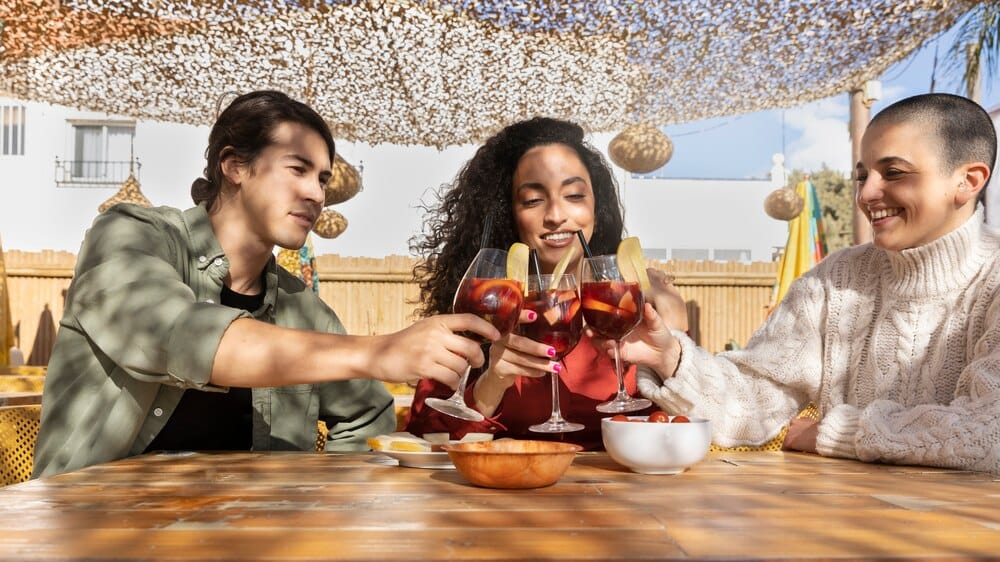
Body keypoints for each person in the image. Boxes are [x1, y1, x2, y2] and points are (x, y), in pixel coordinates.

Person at [33, 90, 498, 477]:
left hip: (245, 535)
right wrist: (380, 352)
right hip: (91, 527)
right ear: (234, 166)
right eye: (297, 169)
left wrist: (322, 499)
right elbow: (181, 336)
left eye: (321, 178)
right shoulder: (130, 235)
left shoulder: (303, 308)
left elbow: (367, 415)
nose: (316, 193)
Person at [614, 93, 999, 473]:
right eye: (861, 176)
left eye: (894, 172)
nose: (865, 194)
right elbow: (754, 401)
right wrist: (668, 357)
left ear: (968, 181)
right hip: (846, 508)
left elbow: (987, 433)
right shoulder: (835, 279)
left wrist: (831, 434)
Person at [405, 117, 687, 450]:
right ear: (510, 213)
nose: (555, 215)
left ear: (598, 207)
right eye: (532, 200)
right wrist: (490, 386)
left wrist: (674, 356)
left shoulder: (635, 305)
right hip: (507, 482)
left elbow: (688, 428)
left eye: (574, 195)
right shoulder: (485, 306)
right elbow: (422, 440)